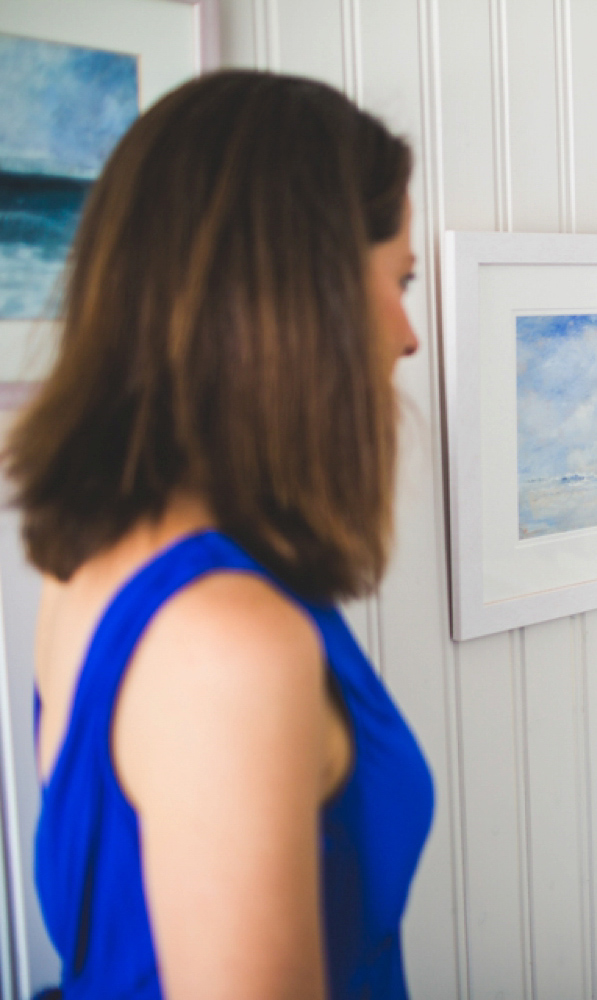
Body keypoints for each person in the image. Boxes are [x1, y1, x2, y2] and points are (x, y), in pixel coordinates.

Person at [7, 71, 433, 998]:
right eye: (398, 281)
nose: (408, 335)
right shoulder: (227, 642)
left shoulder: (93, 557)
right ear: (300, 296)